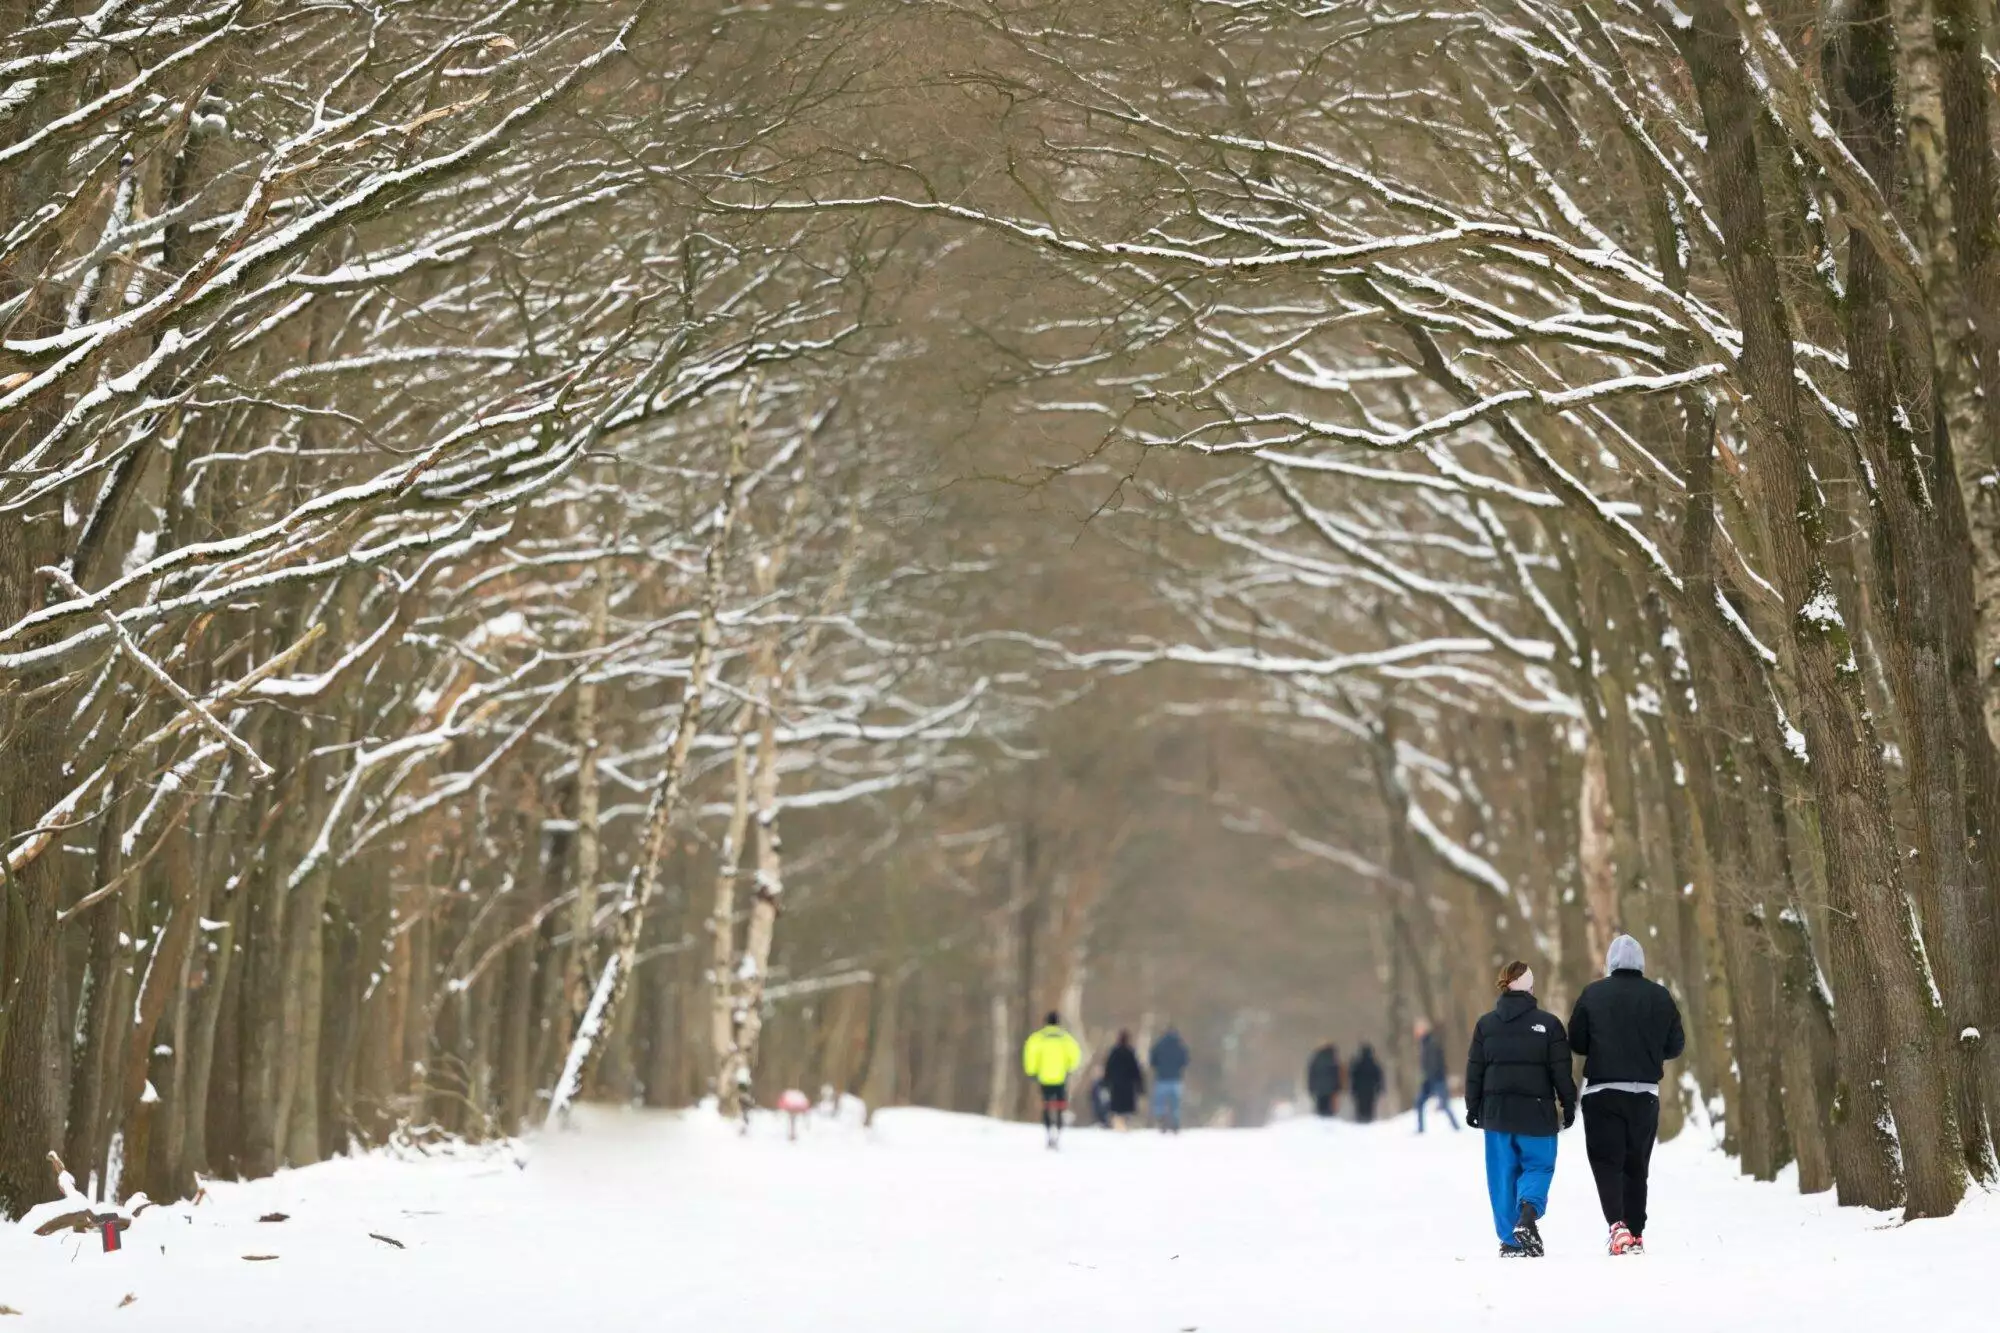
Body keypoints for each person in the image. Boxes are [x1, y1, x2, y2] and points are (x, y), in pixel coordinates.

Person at [1569, 934, 1686, 1256]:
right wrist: (1649, 1054)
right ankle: (1635, 1231)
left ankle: (1617, 1226)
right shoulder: (1660, 996)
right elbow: (1676, 1045)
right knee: (1637, 1164)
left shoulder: (1593, 994)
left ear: (1610, 963)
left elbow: (1576, 1041)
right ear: (1641, 964)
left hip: (1602, 1091)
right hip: (1644, 1093)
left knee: (1607, 1161)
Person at [1466, 961, 1577, 1258]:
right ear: (1530, 988)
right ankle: (1527, 1214)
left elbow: (1475, 1070)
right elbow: (1561, 1072)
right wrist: (1568, 1103)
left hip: (1496, 1114)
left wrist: (1472, 1106)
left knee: (1502, 1175)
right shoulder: (1549, 1025)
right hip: (1537, 1115)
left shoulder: (1485, 1025)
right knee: (1538, 1166)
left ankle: (1511, 1241)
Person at [1022, 1011, 1083, 1149]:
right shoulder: (1065, 1038)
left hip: (1044, 1077)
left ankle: (1048, 1132)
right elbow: (1075, 1055)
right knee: (1060, 1105)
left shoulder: (1037, 1038)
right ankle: (1059, 1132)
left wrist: (1032, 1071)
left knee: (1046, 1105)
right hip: (1061, 1076)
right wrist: (1070, 1068)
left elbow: (1030, 1054)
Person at [1414, 1018, 1458, 1133]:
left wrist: (1431, 1077)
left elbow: (1435, 1063)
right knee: (1419, 1103)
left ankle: (1456, 1127)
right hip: (1429, 1080)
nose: (1416, 1032)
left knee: (1445, 1105)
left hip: (1437, 1079)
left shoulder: (1431, 1042)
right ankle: (1420, 1129)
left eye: (1418, 1029)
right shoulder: (1424, 1043)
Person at [1149, 1026, 1190, 1133]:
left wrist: (1158, 1068)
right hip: (1176, 1079)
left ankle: (1161, 1120)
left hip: (1161, 1078)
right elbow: (1185, 1061)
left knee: (1160, 1102)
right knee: (1175, 1104)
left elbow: (1152, 1061)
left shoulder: (1159, 1045)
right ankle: (1175, 1123)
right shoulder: (1180, 1046)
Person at [1103, 1030, 1146, 1131]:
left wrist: (1105, 1083)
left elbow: (1108, 1068)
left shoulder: (1113, 1053)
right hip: (1128, 1086)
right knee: (1126, 1108)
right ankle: (1124, 1125)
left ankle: (1118, 1125)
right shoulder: (1130, 1052)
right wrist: (1140, 1085)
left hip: (1116, 1085)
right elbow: (1136, 1070)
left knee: (1117, 1108)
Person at [1348, 1044, 1383, 1123]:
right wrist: (1379, 1089)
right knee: (1369, 1106)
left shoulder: (1357, 1064)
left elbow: (1353, 1078)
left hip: (1359, 1090)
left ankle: (1360, 1120)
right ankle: (1369, 1120)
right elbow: (1378, 1078)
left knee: (1360, 1107)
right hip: (1371, 1090)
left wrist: (1353, 1089)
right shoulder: (1374, 1064)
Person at [1306, 1042, 1343, 1117]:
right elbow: (1336, 1076)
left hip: (1318, 1089)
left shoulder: (1316, 1059)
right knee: (1329, 1110)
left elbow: (1312, 1074)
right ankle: (1328, 1123)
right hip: (1330, 1090)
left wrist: (1311, 1087)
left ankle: (1320, 1122)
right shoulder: (1333, 1061)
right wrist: (1338, 1088)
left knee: (1320, 1108)